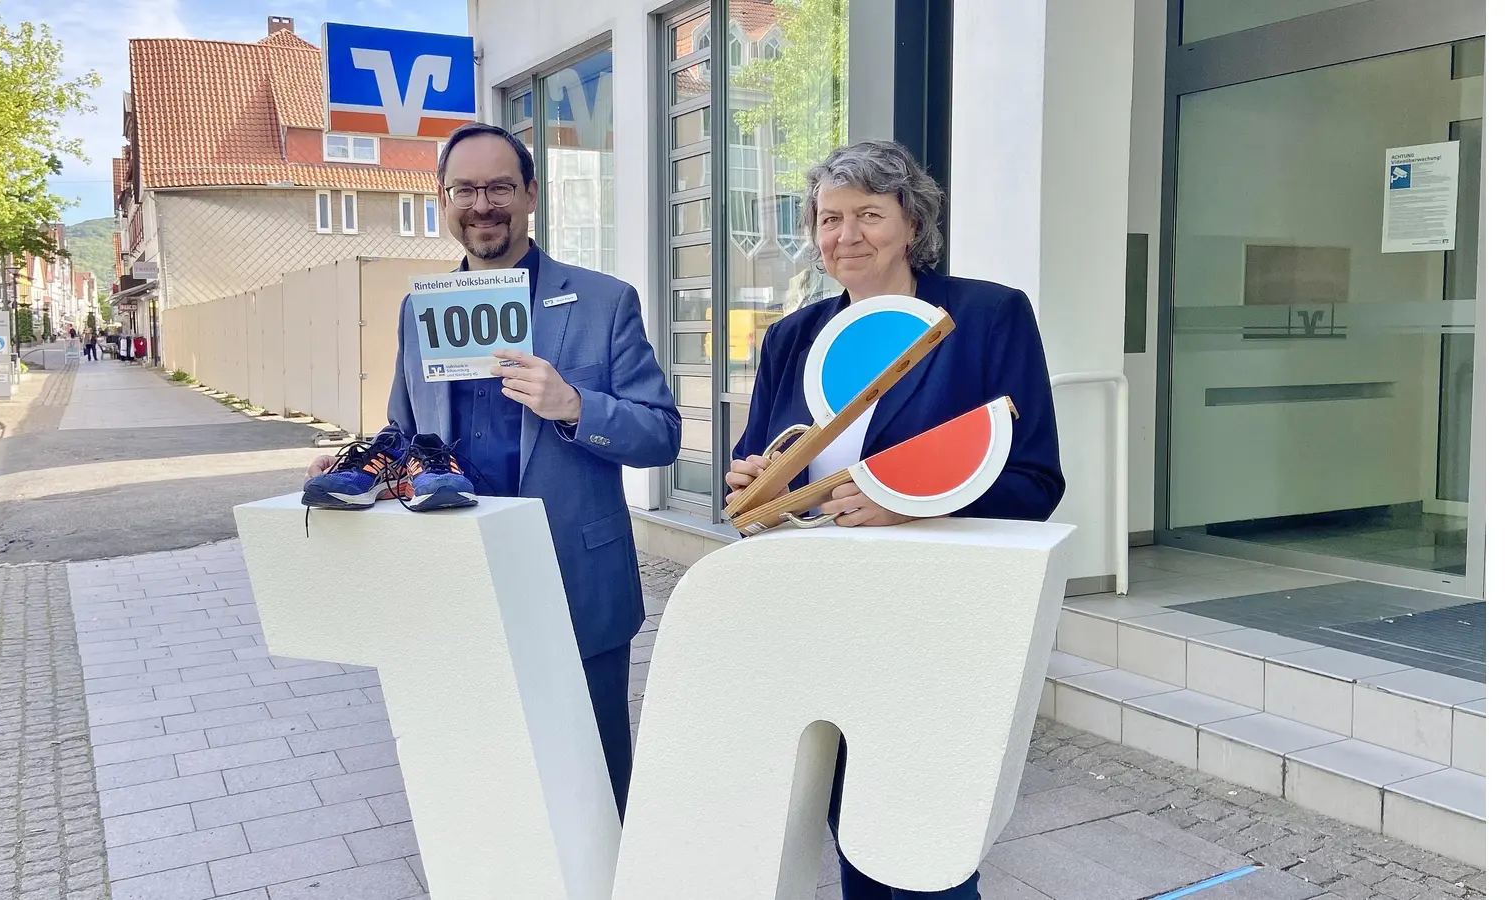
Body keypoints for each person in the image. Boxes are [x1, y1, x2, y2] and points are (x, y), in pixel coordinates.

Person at [304, 122, 681, 816]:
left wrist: (574, 404)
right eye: (466, 189)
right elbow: (407, 434)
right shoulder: (422, 311)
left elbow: (661, 436)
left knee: (592, 787)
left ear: (531, 195)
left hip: (575, 583)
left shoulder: (603, 302)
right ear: (442, 200)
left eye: (500, 186)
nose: (483, 204)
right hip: (459, 585)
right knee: (489, 790)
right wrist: (367, 466)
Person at [725, 140, 1065, 899]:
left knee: (917, 841)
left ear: (913, 224)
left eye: (870, 215)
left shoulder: (987, 317)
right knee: (839, 817)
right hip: (817, 619)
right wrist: (753, 484)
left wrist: (908, 502)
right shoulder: (792, 337)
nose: (846, 235)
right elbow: (763, 466)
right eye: (829, 217)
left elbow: (1036, 480)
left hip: (930, 625)